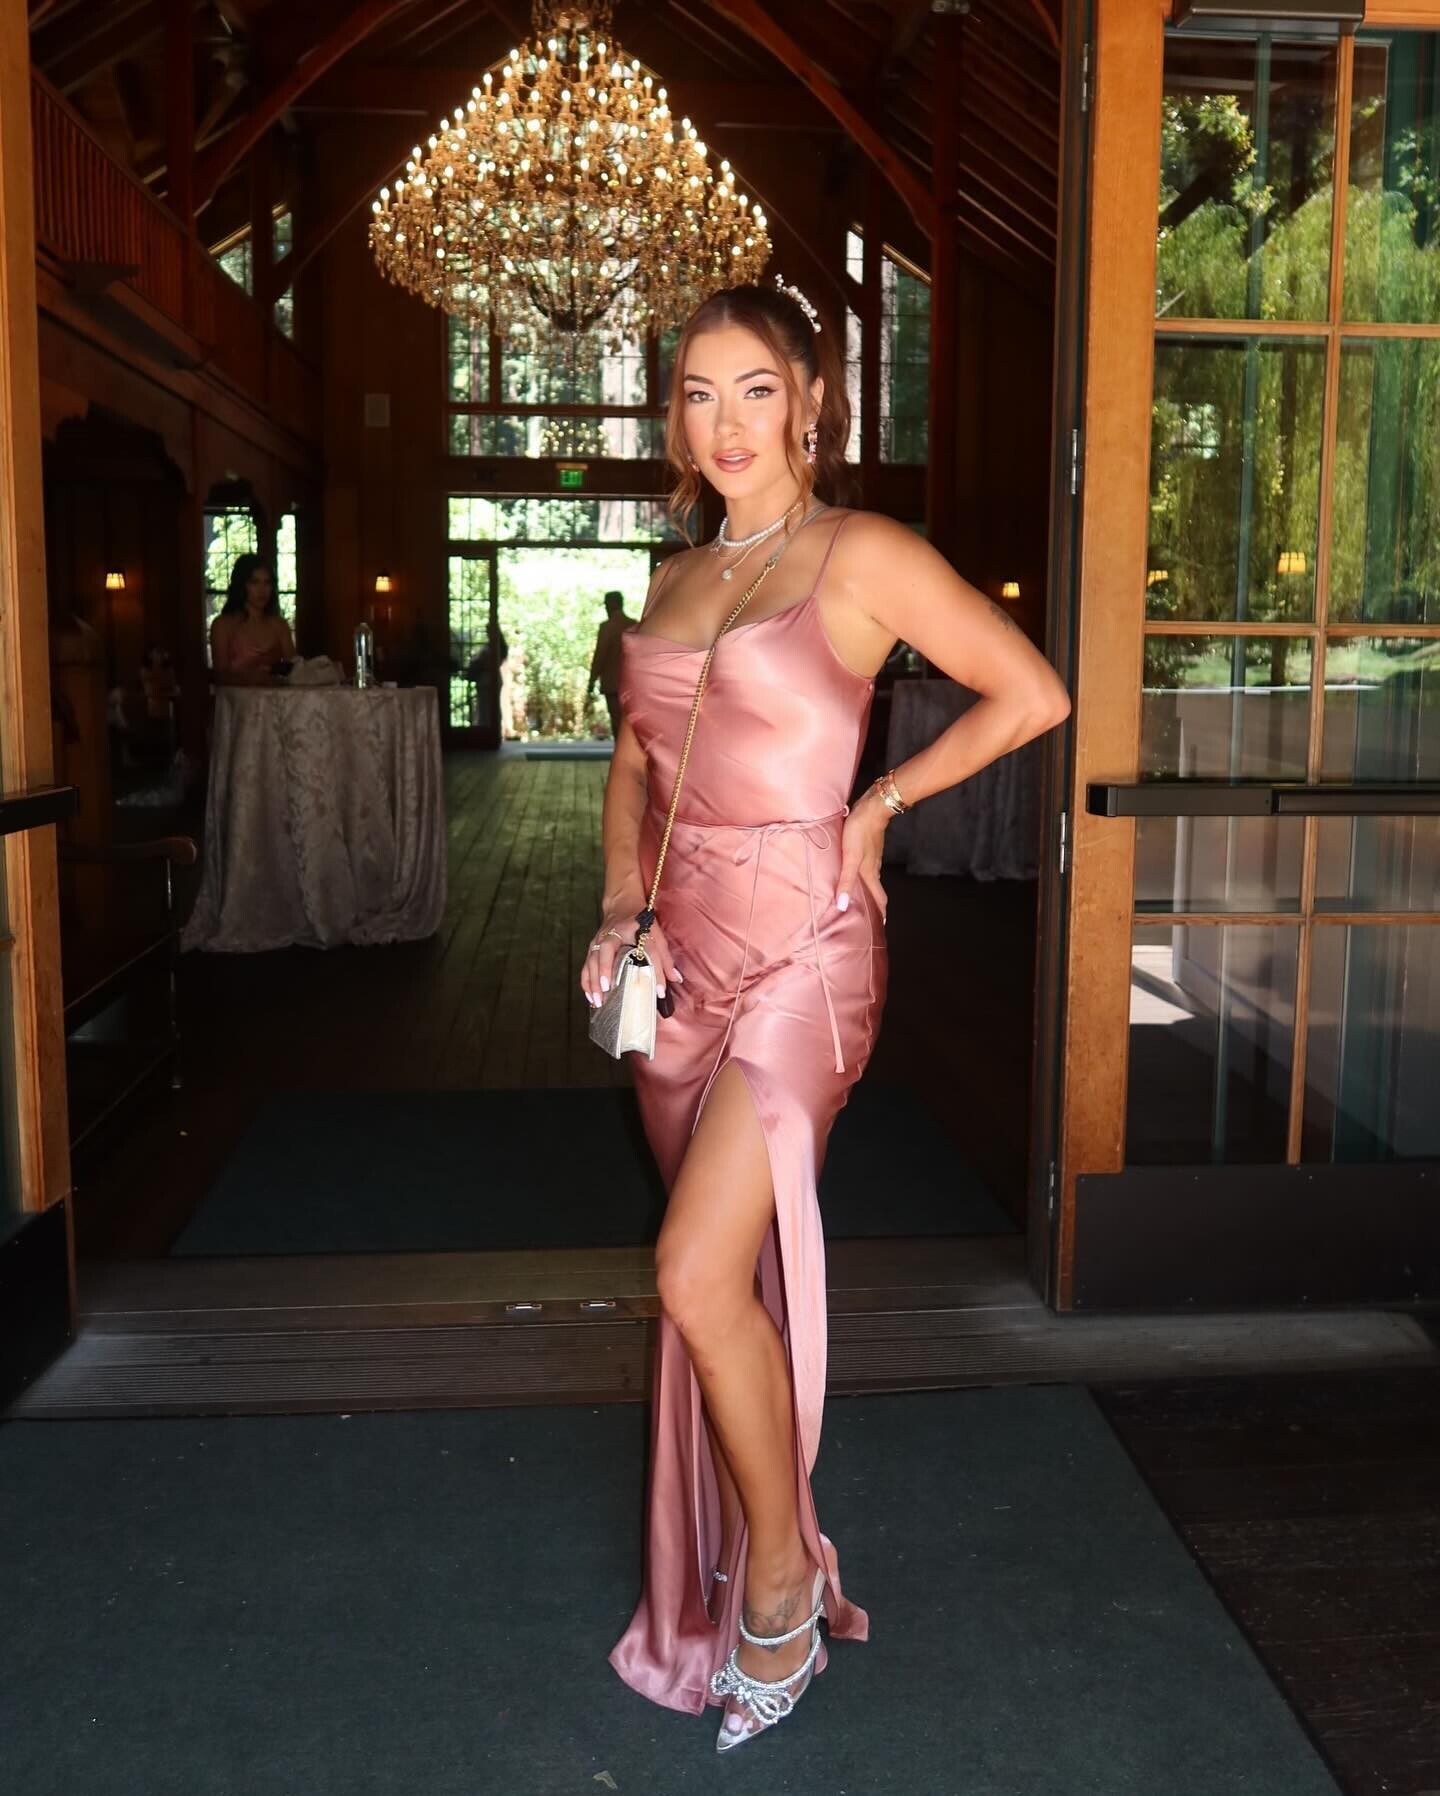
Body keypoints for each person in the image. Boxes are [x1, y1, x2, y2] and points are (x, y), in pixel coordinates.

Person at [580, 278, 1070, 1753]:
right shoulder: (675, 574)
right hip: (682, 960)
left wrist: (881, 803)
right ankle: (752, 1546)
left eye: (755, 389)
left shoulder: (861, 553)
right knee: (719, 1277)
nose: (725, 421)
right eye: (697, 394)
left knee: (687, 1271)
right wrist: (619, 907)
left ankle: (783, 1579)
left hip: (806, 949)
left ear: (809, 398)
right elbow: (635, 767)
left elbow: (1030, 692)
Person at [209, 554, 294, 684]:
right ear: (241, 585)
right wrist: (250, 678)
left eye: (267, 583)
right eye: (254, 582)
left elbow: (295, 669)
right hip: (236, 696)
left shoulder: (280, 625)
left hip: (276, 695)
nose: (262, 590)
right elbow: (220, 675)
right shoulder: (222, 625)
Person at [587, 588, 634, 738]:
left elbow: (600, 655)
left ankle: (620, 749)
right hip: (633, 683)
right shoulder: (634, 626)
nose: (606, 608)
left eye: (606, 604)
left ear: (612, 605)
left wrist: (592, 680)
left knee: (617, 720)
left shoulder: (606, 628)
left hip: (612, 683)